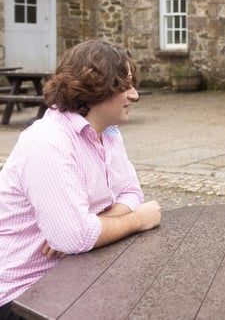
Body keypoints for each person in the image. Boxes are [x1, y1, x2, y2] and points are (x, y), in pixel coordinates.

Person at [0, 40, 161, 319]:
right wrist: (137, 220)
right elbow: (74, 237)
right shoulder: (48, 141)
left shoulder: (108, 133)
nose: (134, 95)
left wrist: (93, 223)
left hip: (76, 277)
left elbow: (131, 191)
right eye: (125, 86)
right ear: (94, 88)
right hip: (23, 296)